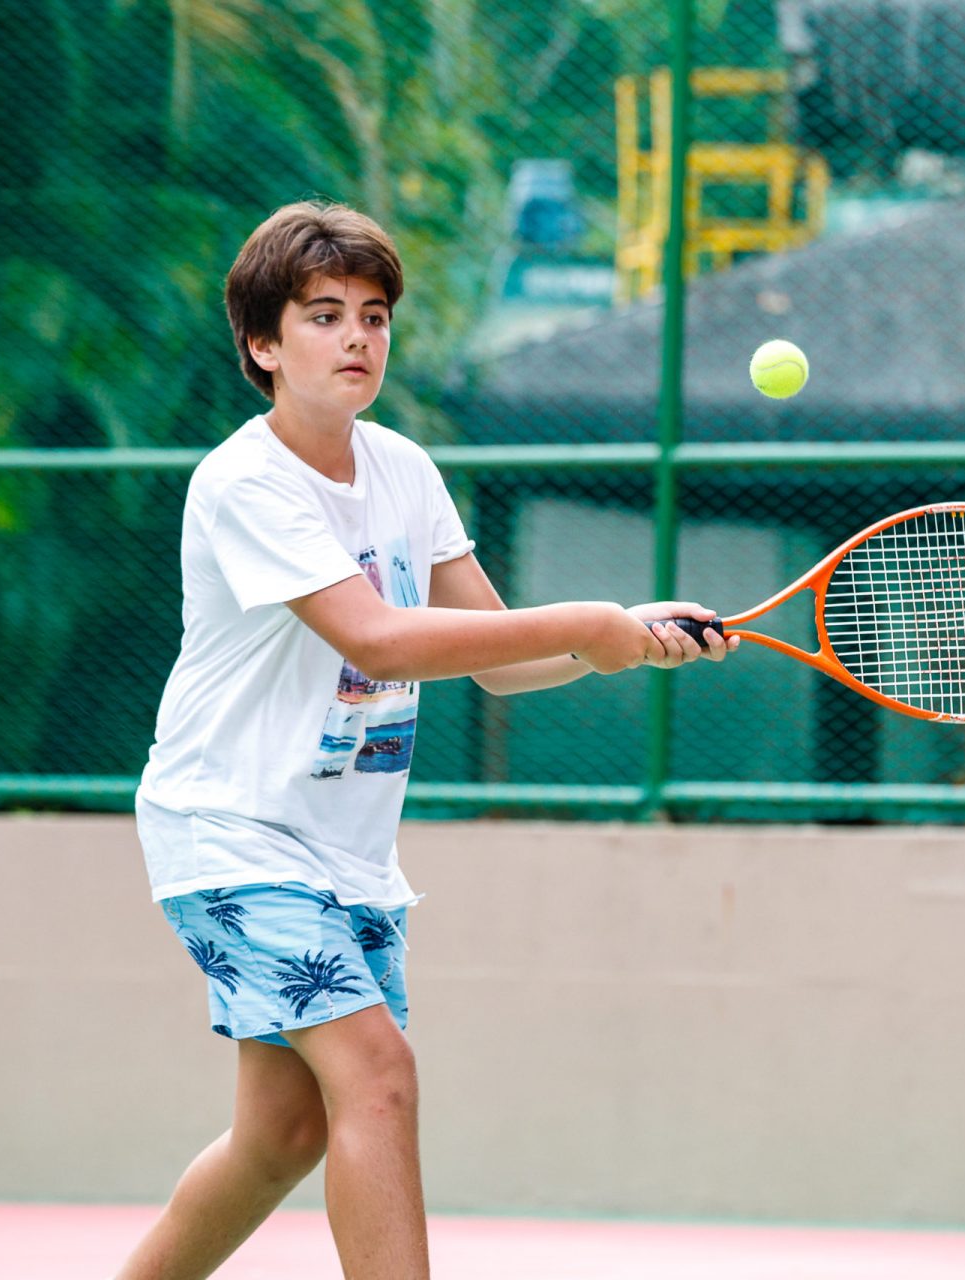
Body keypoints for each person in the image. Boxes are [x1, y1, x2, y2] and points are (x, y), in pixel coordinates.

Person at [116, 201, 732, 1280]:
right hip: (231, 829)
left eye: (374, 315)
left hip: (344, 850)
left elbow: (496, 657)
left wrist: (620, 638)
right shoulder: (245, 481)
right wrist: (585, 620)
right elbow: (379, 638)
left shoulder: (403, 469)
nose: (358, 336)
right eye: (323, 316)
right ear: (263, 344)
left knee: (283, 1135)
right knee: (380, 1075)